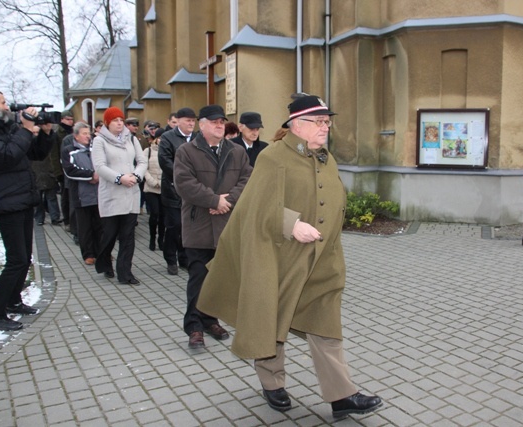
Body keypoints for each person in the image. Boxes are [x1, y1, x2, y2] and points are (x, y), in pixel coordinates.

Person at [196, 94, 383, 418]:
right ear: (297, 125)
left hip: (321, 262)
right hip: (281, 259)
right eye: (319, 121)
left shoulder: (326, 157)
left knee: (326, 326)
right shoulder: (274, 158)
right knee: (271, 325)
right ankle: (272, 384)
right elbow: (254, 209)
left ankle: (342, 396)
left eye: (327, 121)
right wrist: (291, 224)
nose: (326, 127)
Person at [0, 87, 54, 331]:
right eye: (3, 102)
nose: (8, 107)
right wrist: (26, 129)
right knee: (16, 260)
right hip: (4, 200)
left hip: (21, 198)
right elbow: (6, 156)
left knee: (23, 257)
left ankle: (13, 301)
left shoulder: (1, 128)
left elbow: (34, 153)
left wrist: (45, 133)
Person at [173, 104, 251, 349]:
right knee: (198, 278)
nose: (219, 125)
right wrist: (214, 199)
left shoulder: (237, 151)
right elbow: (184, 183)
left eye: (222, 121)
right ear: (202, 124)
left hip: (227, 224)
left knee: (220, 279)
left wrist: (227, 201)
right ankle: (194, 326)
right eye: (214, 121)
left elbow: (248, 179)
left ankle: (210, 319)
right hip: (200, 225)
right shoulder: (186, 151)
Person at [92, 107, 147, 285]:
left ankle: (125, 273)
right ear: (107, 122)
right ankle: (105, 262)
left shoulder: (131, 138)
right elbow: (100, 167)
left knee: (127, 235)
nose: (119, 123)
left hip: (131, 192)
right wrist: (119, 178)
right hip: (112, 194)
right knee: (109, 234)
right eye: (115, 120)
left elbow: (142, 160)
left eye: (121, 120)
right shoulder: (100, 141)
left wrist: (136, 176)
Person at [158, 107, 197, 275]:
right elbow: (165, 161)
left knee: (188, 227)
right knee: (174, 226)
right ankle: (170, 259)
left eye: (193, 120)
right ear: (178, 120)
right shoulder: (168, 138)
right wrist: (183, 177)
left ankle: (184, 258)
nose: (191, 123)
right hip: (173, 190)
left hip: (194, 191)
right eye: (187, 120)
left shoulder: (198, 138)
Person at [61, 121, 102, 265]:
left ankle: (101, 253)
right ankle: (88, 254)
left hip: (98, 194)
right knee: (85, 227)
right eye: (84, 134)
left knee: (99, 226)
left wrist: (99, 174)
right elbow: (69, 170)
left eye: (88, 133)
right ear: (76, 136)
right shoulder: (68, 150)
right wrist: (91, 175)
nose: (87, 136)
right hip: (81, 196)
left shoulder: (95, 149)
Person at [51, 110, 75, 233]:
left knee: (71, 197)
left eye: (71, 119)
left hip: (72, 168)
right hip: (63, 169)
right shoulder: (57, 134)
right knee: (65, 198)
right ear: (62, 120)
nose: (70, 121)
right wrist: (58, 173)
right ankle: (67, 220)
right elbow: (54, 155)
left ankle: (72, 221)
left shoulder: (74, 132)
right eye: (67, 119)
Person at [143, 128, 165, 251]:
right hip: (151, 189)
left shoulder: (168, 151)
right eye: (160, 138)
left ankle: (161, 239)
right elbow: (143, 168)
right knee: (154, 214)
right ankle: (152, 237)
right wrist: (152, 181)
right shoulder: (148, 151)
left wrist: (162, 182)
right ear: (156, 139)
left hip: (163, 188)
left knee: (162, 216)